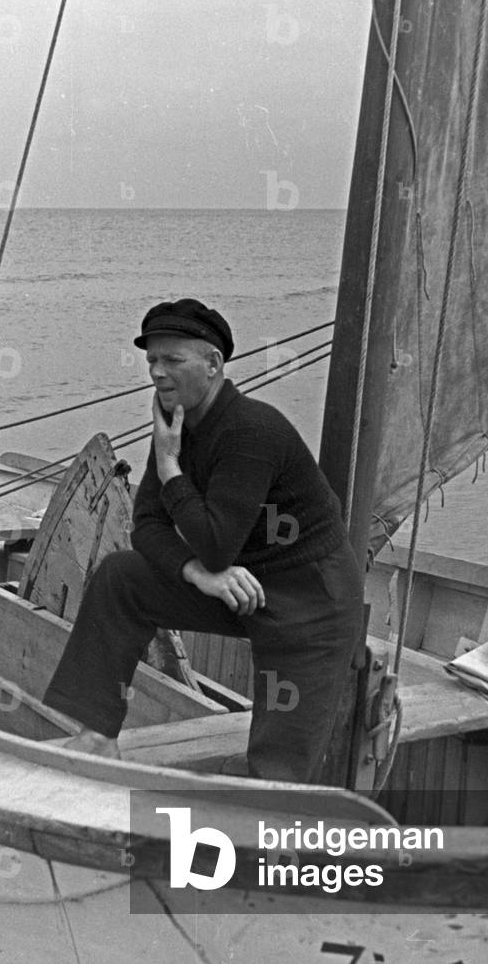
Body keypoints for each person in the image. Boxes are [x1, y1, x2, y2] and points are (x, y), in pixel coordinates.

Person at [43, 298, 364, 783]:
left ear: (213, 364)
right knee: (122, 576)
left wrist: (171, 468)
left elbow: (215, 543)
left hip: (310, 603)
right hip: (235, 582)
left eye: (172, 360)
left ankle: (275, 848)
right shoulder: (177, 427)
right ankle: (97, 736)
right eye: (152, 360)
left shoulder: (251, 431)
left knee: (276, 774)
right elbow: (145, 525)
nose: (156, 372)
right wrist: (196, 574)